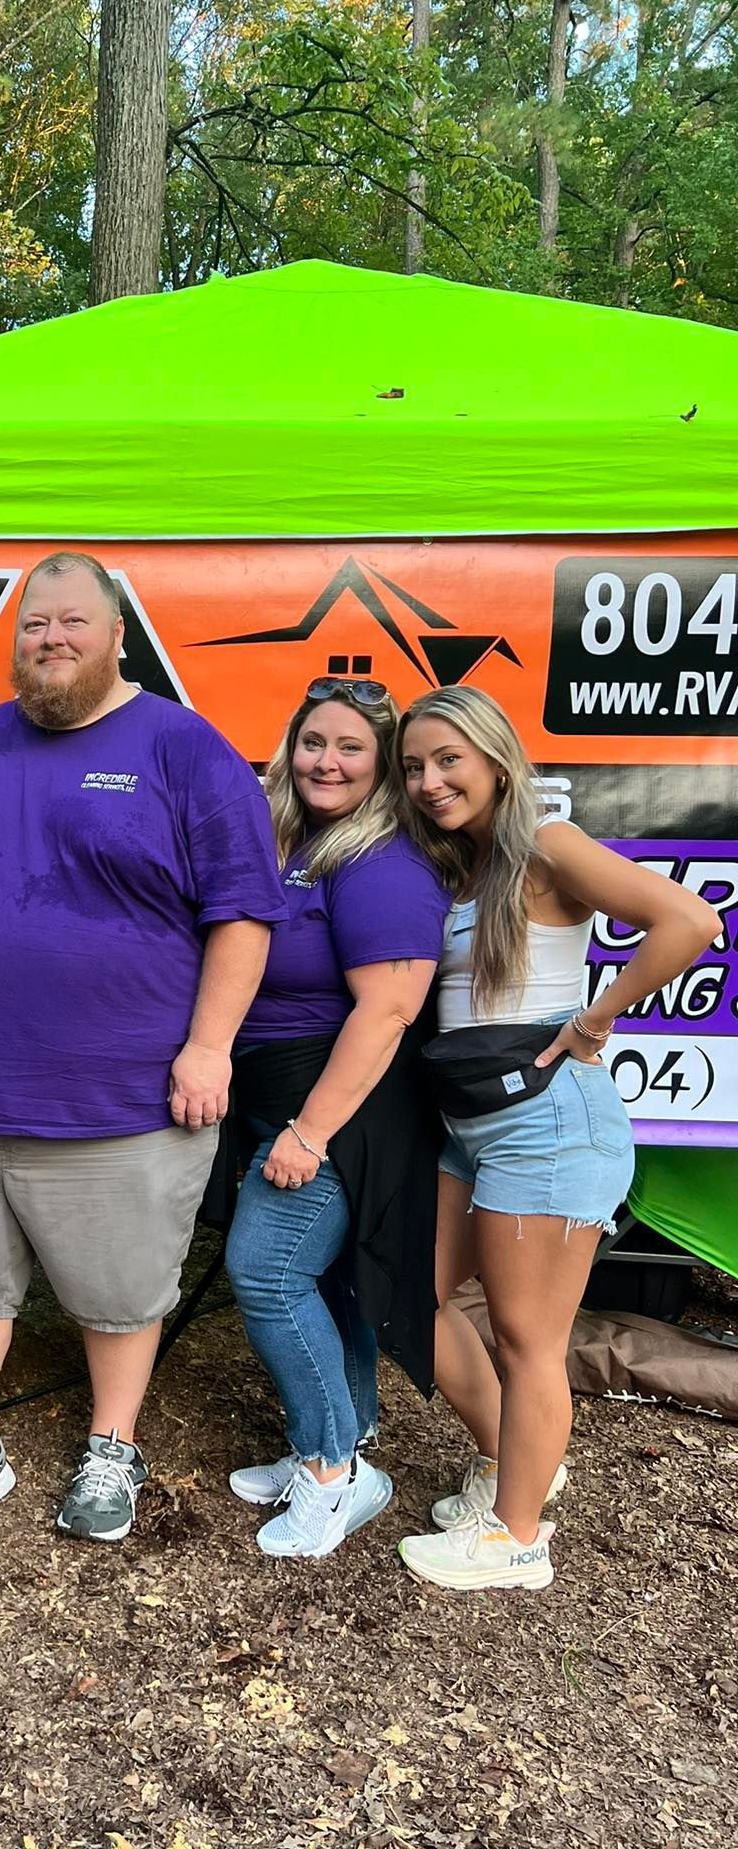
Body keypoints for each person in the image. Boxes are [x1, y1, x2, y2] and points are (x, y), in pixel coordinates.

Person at [0, 551, 285, 1543]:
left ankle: (113, 1443)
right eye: (34, 625)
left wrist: (210, 1046)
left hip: (119, 1096)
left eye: (73, 621)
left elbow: (243, 913)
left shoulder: (185, 749)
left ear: (118, 635)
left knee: (119, 1290)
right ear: (14, 642)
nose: (52, 639)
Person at [393, 685, 720, 1593]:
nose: (429, 781)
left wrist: (595, 1023)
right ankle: (514, 1463)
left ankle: (518, 1539)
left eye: (448, 760)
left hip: (548, 1124)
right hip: (470, 1127)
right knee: (411, 1297)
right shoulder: (457, 866)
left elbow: (690, 923)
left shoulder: (544, 843)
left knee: (528, 1337)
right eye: (414, 766)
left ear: (497, 759)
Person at [224, 679, 449, 1557]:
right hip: (280, 1090)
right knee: (328, 1279)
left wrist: (311, 1132)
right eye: (313, 742)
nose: (327, 761)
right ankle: (339, 1439)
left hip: (340, 1104)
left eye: (351, 748)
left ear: (384, 766)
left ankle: (334, 1475)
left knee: (269, 1271)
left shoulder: (383, 863)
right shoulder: (296, 843)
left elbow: (387, 1012)